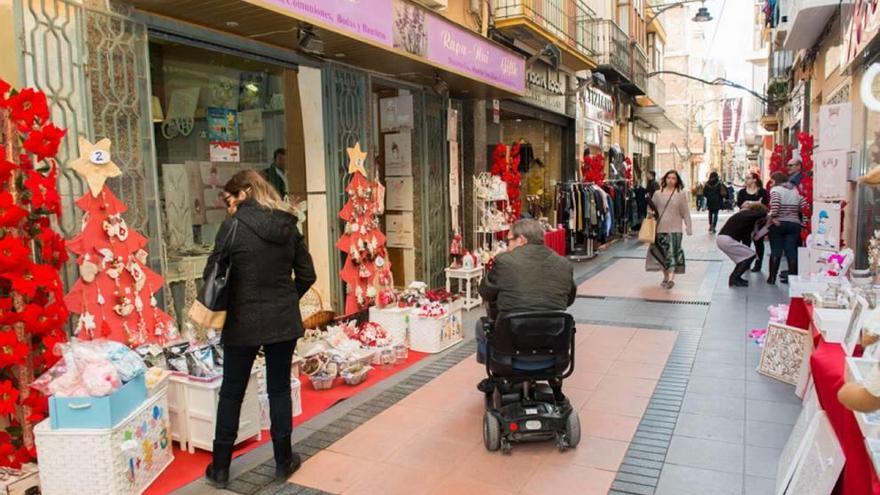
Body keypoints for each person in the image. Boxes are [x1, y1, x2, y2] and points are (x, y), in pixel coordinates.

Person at [204, 170, 316, 488]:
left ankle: (221, 469)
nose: (229, 206)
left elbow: (211, 273)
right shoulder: (287, 224)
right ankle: (283, 462)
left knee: (232, 392)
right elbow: (307, 274)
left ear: (245, 192)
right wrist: (285, 300)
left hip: (242, 321)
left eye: (230, 199)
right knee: (279, 389)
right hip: (282, 320)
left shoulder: (233, 227)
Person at [476, 219, 577, 396]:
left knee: (481, 326)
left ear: (521, 239)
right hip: (553, 349)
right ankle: (554, 383)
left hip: (511, 349)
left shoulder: (505, 261)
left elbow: (485, 292)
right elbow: (568, 300)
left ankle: (495, 376)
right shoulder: (564, 264)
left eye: (509, 241)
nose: (507, 246)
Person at [646, 170, 693, 289]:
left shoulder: (681, 194)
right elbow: (651, 208)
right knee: (661, 255)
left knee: (672, 254)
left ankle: (671, 279)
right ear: (664, 179)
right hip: (660, 228)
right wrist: (650, 213)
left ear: (677, 181)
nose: (671, 180)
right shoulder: (657, 194)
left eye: (673, 178)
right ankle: (666, 276)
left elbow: (685, 212)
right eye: (668, 178)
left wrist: (688, 226)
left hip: (675, 229)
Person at [767, 171, 807, 284]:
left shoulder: (776, 190)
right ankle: (793, 278)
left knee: (776, 250)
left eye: (772, 181)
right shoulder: (795, 191)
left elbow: (775, 206)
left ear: (776, 181)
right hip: (794, 224)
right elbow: (805, 206)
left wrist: (771, 216)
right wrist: (803, 223)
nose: (770, 184)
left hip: (779, 224)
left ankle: (772, 278)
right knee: (791, 250)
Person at [716, 203, 769, 287]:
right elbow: (762, 213)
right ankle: (734, 278)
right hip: (727, 240)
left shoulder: (746, 218)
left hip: (724, 239)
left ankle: (736, 278)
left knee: (744, 258)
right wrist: (769, 215)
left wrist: (764, 226)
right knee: (750, 255)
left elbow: (753, 237)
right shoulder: (747, 214)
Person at [736, 173, 769, 272]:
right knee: (745, 243)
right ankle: (746, 264)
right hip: (745, 221)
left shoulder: (762, 192)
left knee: (758, 243)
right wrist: (756, 203)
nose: (746, 180)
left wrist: (748, 204)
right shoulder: (742, 192)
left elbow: (764, 205)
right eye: (746, 178)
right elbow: (740, 205)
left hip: (759, 221)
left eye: (748, 178)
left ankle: (758, 264)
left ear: (755, 180)